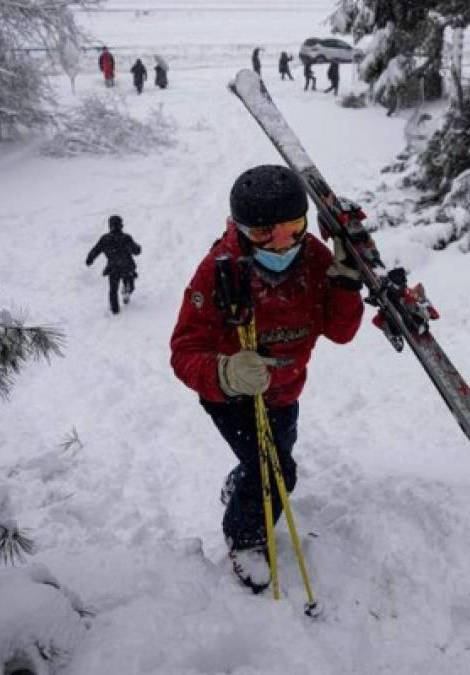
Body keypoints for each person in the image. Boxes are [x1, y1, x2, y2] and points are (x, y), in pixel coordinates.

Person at [170, 165, 364, 592]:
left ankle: (242, 482)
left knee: (269, 458)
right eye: (262, 234)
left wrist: (347, 282)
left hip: (284, 392)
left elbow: (340, 331)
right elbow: (183, 351)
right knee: (277, 472)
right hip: (229, 396)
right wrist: (226, 371)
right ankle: (245, 539)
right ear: (239, 228)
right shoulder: (218, 271)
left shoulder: (313, 259)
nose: (281, 243)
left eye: (292, 227)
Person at [86, 215, 142, 314]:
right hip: (127, 266)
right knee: (130, 283)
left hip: (113, 268)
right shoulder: (126, 238)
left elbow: (96, 250)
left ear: (110, 226)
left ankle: (115, 310)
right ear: (121, 225)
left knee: (113, 290)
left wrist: (90, 259)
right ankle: (127, 290)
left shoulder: (105, 239)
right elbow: (136, 251)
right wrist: (138, 248)